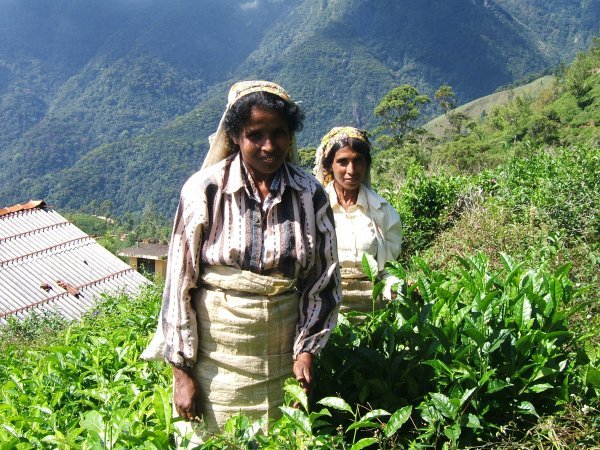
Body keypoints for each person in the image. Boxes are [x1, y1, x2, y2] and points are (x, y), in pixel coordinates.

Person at [142, 81, 341, 447]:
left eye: (279, 133)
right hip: (215, 356)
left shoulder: (309, 194)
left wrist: (307, 348)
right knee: (212, 438)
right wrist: (181, 373)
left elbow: (323, 279)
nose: (269, 146)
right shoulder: (205, 190)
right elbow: (179, 285)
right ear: (235, 135)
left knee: (277, 438)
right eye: (256, 135)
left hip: (282, 353)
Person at [314, 126, 402, 314]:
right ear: (330, 165)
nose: (351, 170)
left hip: (373, 306)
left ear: (366, 165)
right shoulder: (314, 210)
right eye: (343, 162)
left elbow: (387, 268)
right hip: (326, 303)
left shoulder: (382, 211)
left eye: (358, 161)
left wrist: (397, 285)